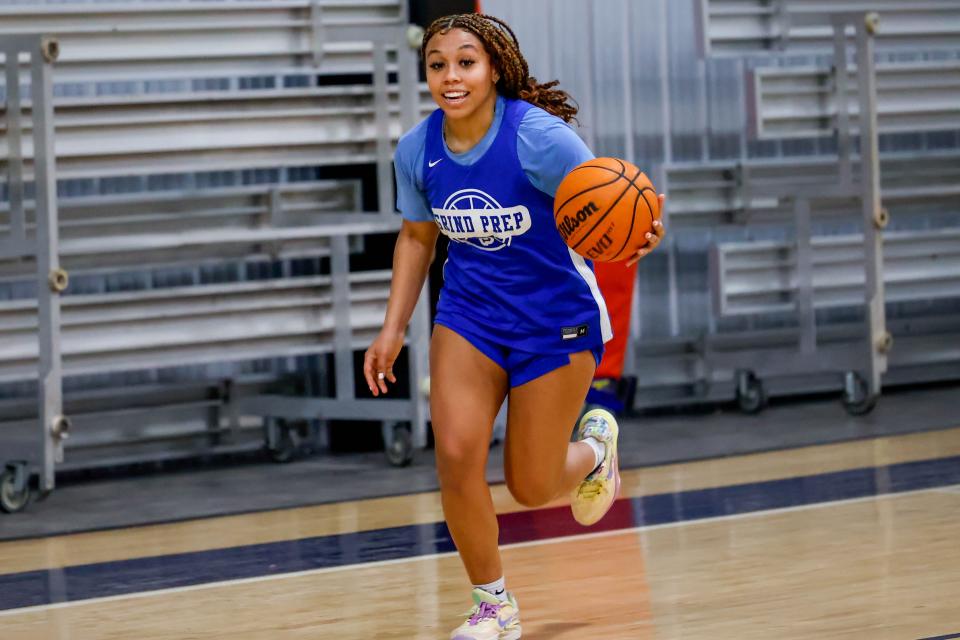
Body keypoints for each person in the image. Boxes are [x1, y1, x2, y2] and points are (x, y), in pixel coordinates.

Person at [363, 13, 664, 639]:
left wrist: (639, 233)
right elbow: (418, 238)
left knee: (529, 486)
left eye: (466, 62)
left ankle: (593, 450)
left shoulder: (539, 138)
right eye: (438, 64)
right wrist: (392, 328)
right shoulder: (417, 149)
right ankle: (492, 603)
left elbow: (609, 208)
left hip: (555, 321)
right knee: (455, 454)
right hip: (470, 316)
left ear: (494, 68)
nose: (451, 76)